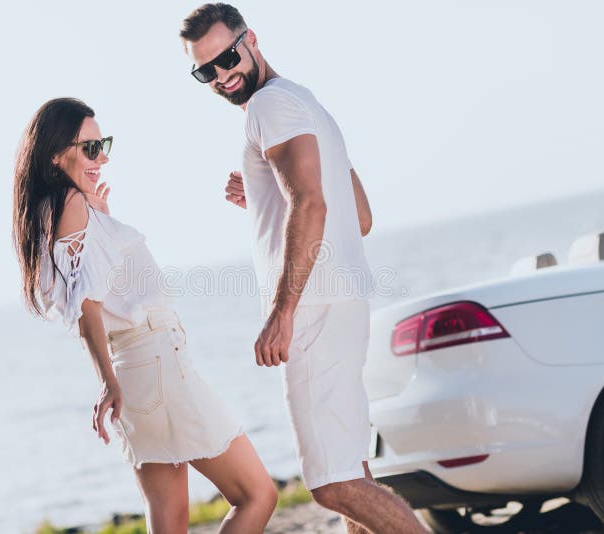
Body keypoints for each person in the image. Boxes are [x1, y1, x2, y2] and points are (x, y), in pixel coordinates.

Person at [179, 5, 427, 533]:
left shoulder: (267, 107)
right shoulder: (304, 101)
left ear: (251, 39)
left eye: (227, 57)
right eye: (206, 70)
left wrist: (281, 312)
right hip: (345, 305)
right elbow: (356, 215)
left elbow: (311, 205)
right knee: (350, 470)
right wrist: (265, 200)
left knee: (330, 484)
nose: (223, 75)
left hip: (314, 309)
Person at [11, 97, 277, 534]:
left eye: (104, 145)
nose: (103, 157)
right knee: (257, 495)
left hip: (135, 373)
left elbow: (94, 294)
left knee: (169, 524)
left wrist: (101, 216)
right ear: (56, 154)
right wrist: (106, 382)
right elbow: (86, 307)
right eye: (90, 148)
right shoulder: (69, 203)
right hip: (156, 365)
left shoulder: (52, 211)